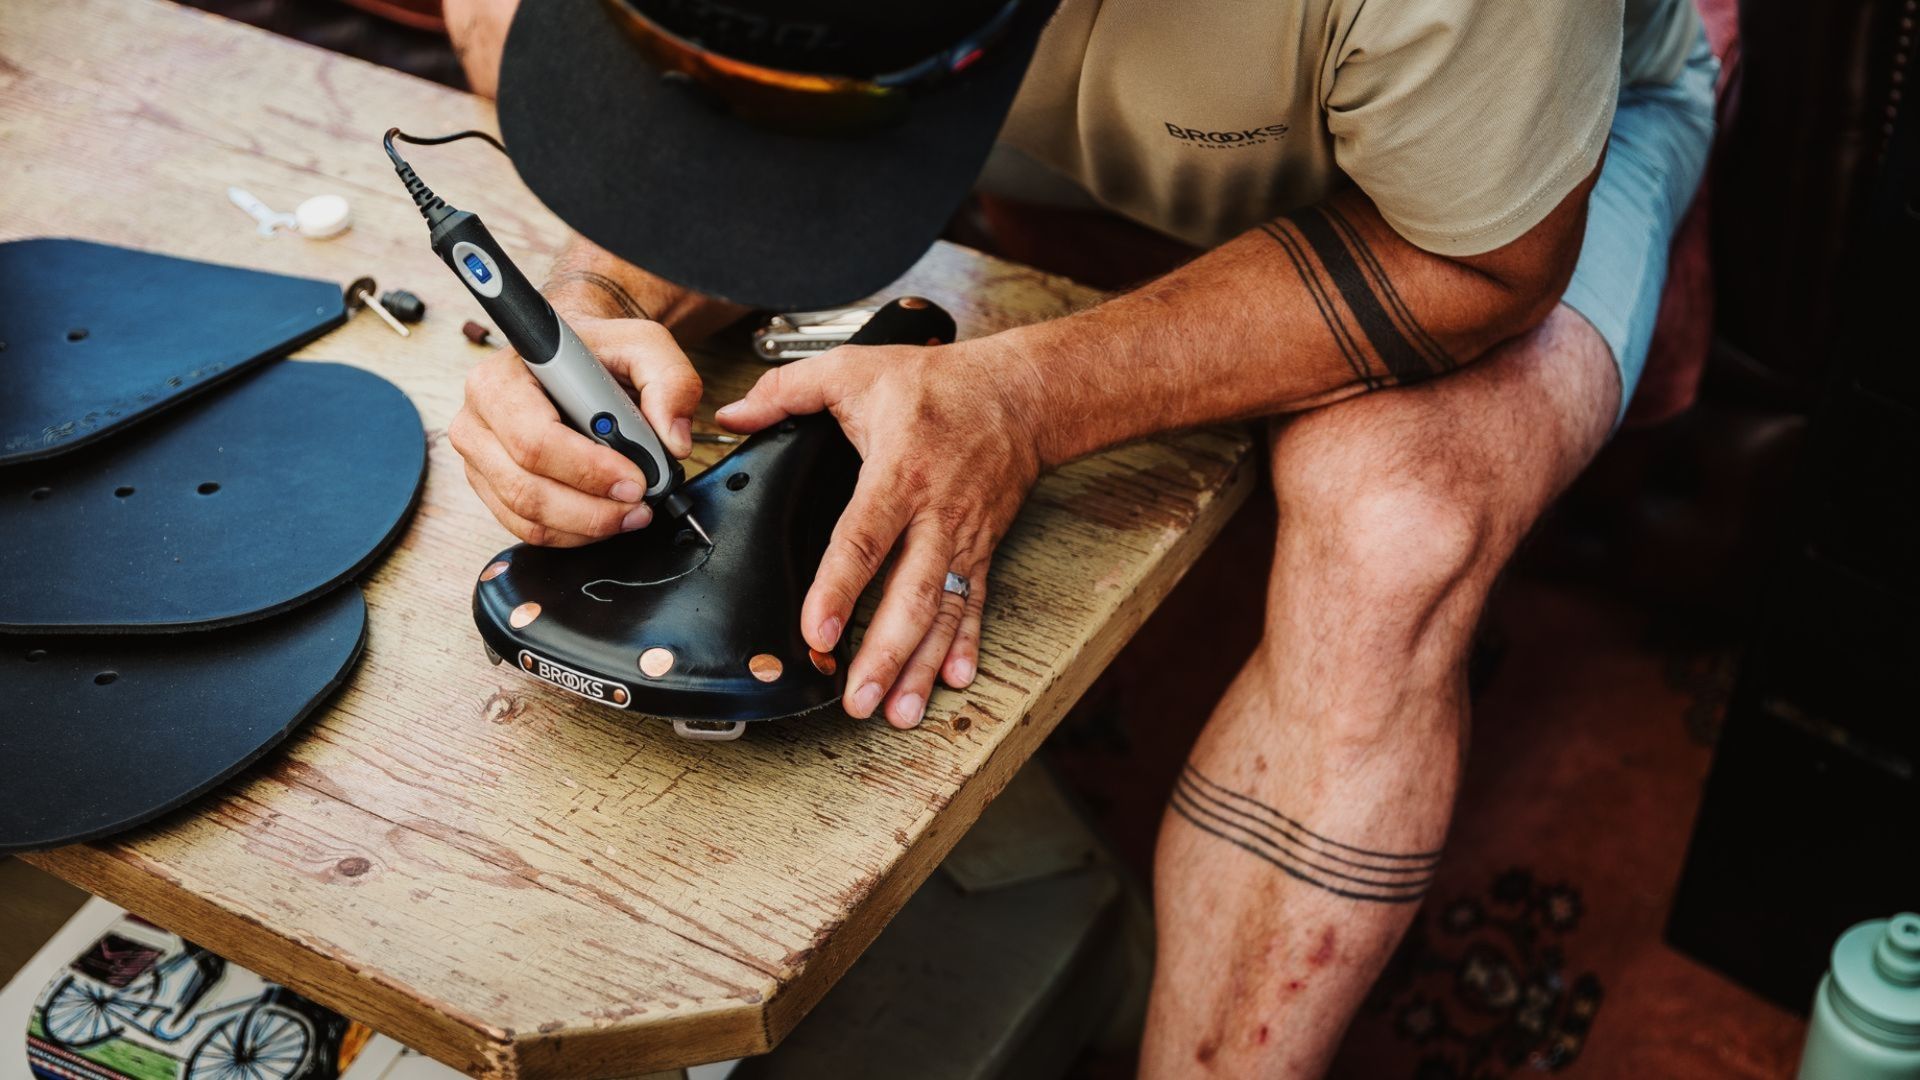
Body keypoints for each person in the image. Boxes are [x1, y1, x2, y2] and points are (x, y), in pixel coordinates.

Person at [441, 0, 1716, 1072]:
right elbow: (704, 118)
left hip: (1474, 185)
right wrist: (592, 303)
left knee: (1393, 533)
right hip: (1054, 129)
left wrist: (1029, 398)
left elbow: (1478, 267)